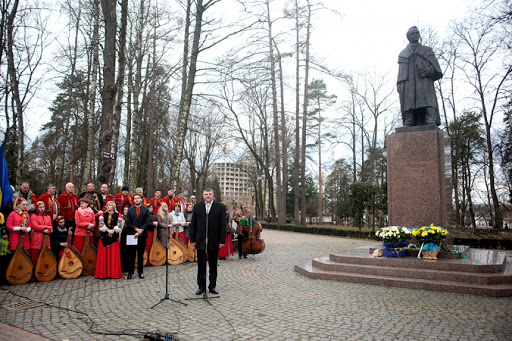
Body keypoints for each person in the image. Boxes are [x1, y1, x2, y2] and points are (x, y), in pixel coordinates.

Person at [397, 26, 443, 127]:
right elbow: (401, 74)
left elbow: (437, 70)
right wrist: (399, 83)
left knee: (428, 100)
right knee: (409, 101)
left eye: (417, 33)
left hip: (424, 82)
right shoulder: (403, 54)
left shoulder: (427, 51)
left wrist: (430, 71)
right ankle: (409, 120)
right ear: (408, 37)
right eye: (412, 34)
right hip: (409, 83)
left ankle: (430, 119)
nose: (415, 35)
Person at [189, 188, 226, 295]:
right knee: (201, 265)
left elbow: (223, 225)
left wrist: (222, 240)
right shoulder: (197, 207)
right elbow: (193, 224)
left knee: (213, 265)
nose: (208, 196)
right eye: (206, 194)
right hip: (200, 240)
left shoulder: (220, 207)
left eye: (210, 194)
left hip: (214, 240)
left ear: (213, 195)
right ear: (203, 195)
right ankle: (201, 287)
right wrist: (193, 239)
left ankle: (212, 286)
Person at [95, 201, 122, 279]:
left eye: (110, 205)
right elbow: (101, 225)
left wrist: (113, 230)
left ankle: (114, 273)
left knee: (114, 256)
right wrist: (108, 230)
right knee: (104, 256)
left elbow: (119, 225)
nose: (108, 206)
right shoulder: (102, 215)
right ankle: (104, 273)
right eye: (107, 205)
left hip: (114, 237)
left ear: (113, 206)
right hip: (104, 236)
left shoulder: (118, 215)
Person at [125, 194, 149, 279]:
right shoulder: (130, 210)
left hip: (142, 235)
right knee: (131, 255)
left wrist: (139, 231)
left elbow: (147, 222)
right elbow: (128, 222)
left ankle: (140, 272)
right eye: (135, 198)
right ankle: (130, 272)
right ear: (133, 200)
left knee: (140, 254)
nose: (137, 200)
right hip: (132, 234)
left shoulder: (146, 210)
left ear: (141, 199)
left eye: (138, 198)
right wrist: (136, 229)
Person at [119, 205, 130, 272]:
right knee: (122, 251)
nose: (126, 211)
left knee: (129, 251)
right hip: (123, 236)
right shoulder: (121, 218)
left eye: (127, 210)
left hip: (129, 235)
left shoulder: (131, 217)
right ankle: (122, 267)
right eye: (124, 210)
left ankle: (128, 267)